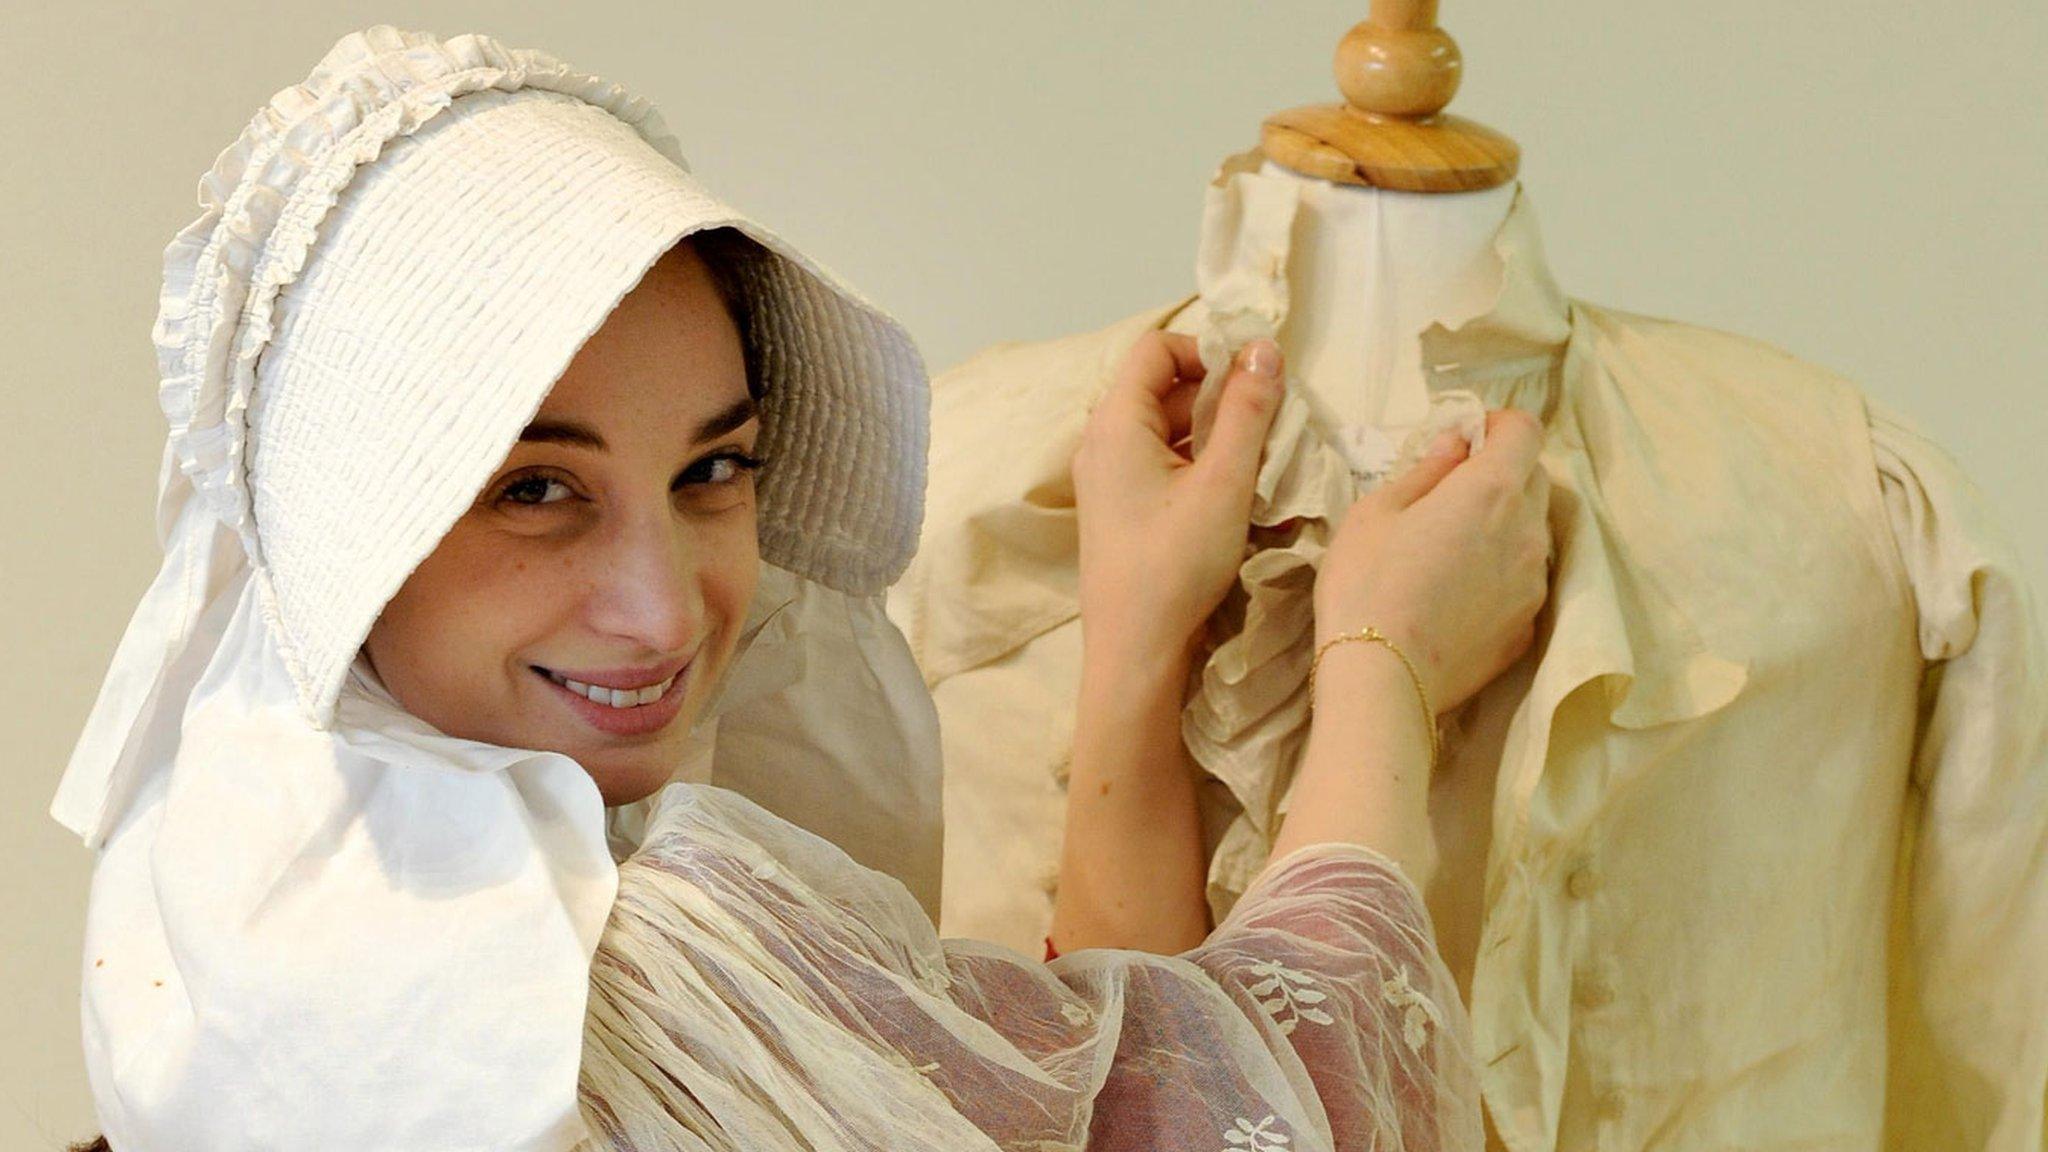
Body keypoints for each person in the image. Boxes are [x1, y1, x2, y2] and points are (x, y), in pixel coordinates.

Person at [52, 26, 1546, 1151]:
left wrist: (1137, 647)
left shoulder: (242, 874)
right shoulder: (621, 967)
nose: (663, 609)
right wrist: (1380, 659)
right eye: (535, 490)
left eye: (715, 471)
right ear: (344, 529)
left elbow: (1094, 1091)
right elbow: (1298, 1100)